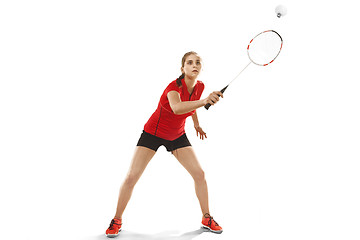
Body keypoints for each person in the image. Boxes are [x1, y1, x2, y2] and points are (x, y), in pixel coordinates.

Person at [106, 51, 223, 237]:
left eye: (198, 62)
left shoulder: (200, 86)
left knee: (199, 174)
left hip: (177, 135)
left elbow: (191, 105)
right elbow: (177, 108)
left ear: (201, 67)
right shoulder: (173, 87)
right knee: (131, 177)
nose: (194, 65)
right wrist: (205, 101)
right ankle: (116, 219)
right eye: (190, 63)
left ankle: (206, 217)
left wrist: (197, 124)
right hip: (153, 133)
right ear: (182, 68)